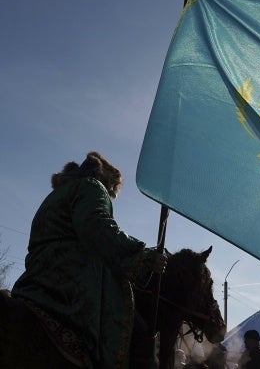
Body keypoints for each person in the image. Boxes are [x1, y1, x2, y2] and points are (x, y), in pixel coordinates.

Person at [10, 151, 168, 368]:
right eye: (112, 191)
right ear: (107, 181)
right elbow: (98, 229)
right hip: (71, 283)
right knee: (137, 333)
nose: (110, 195)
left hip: (36, 282)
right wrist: (143, 255)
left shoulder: (55, 195)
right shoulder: (92, 186)